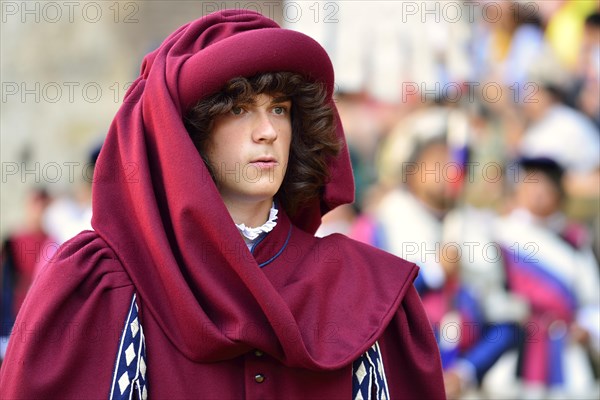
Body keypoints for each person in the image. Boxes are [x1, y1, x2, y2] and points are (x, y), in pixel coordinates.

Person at [0, 9, 445, 399]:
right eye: (239, 110)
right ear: (189, 134)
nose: (267, 130)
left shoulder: (365, 292)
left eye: (280, 109)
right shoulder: (102, 289)